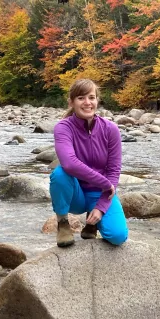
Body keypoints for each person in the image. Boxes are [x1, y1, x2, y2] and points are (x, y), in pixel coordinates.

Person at [50, 79, 128, 247]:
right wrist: (105, 184)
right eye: (81, 98)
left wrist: (101, 207)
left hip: (99, 193)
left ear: (97, 100)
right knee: (59, 173)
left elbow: (114, 170)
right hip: (75, 193)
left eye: (91, 97)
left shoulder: (110, 129)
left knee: (118, 236)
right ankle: (63, 223)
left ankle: (91, 224)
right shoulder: (63, 128)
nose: (87, 103)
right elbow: (69, 163)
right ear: (71, 102)